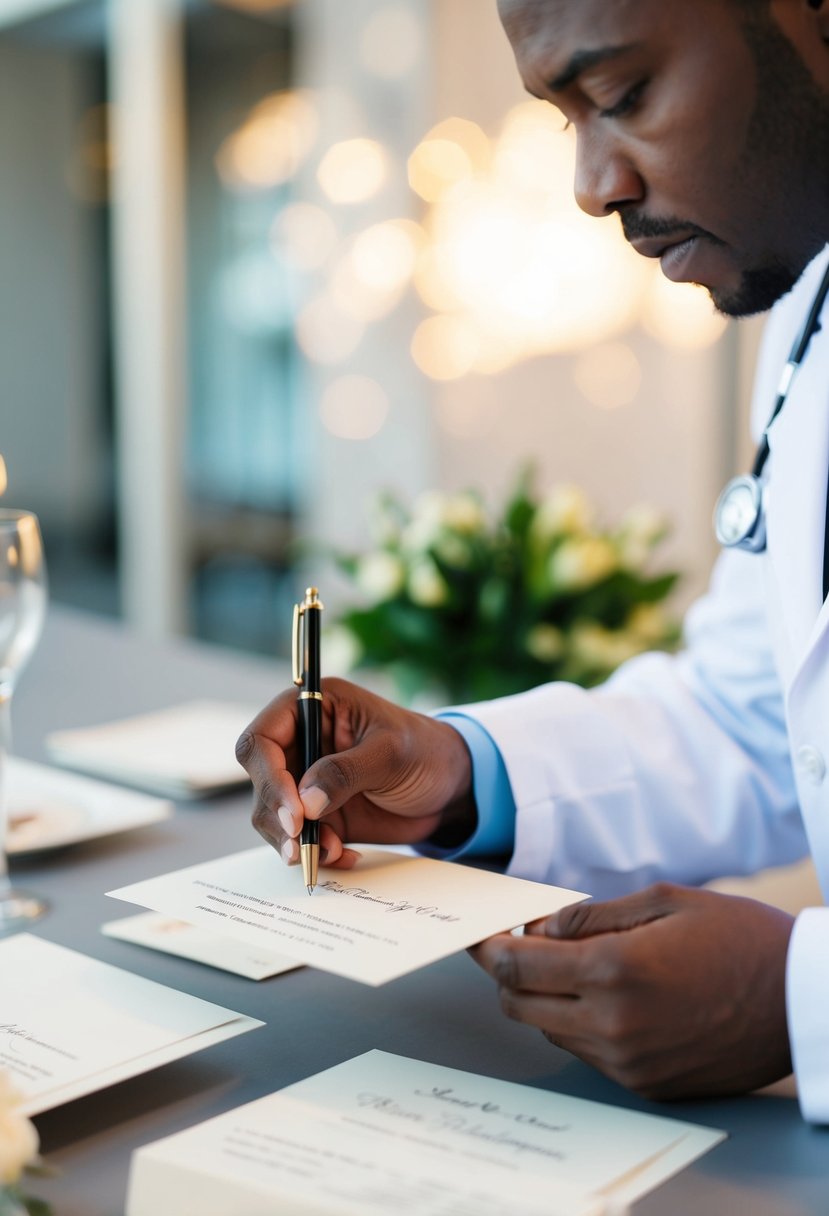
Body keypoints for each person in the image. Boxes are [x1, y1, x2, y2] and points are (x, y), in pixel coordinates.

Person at [236, 0, 829, 1120]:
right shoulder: (805, 317)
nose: (592, 185)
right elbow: (756, 717)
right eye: (567, 120)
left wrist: (797, 997)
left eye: (621, 94)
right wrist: (456, 774)